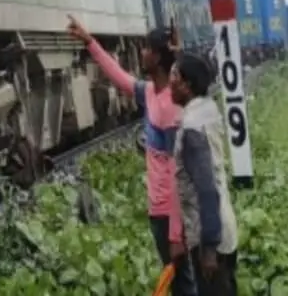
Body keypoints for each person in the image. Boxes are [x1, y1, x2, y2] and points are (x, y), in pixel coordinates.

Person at [67, 17, 197, 296]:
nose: (141, 52)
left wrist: (176, 234)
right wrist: (90, 43)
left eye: (147, 48)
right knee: (179, 281)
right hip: (159, 209)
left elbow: (179, 173)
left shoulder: (170, 109)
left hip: (169, 214)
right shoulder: (151, 92)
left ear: (159, 57)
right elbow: (119, 77)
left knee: (183, 284)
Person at [170, 52, 239, 296]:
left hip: (212, 239)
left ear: (187, 85)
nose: (170, 82)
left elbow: (206, 189)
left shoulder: (192, 128)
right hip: (222, 229)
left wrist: (208, 249)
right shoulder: (206, 111)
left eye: (174, 75)